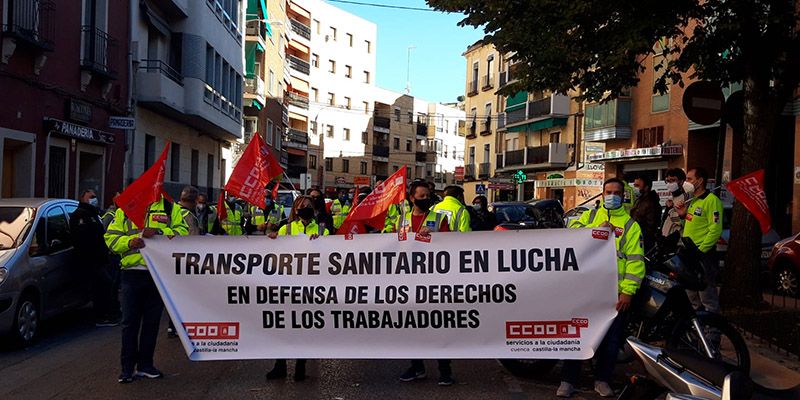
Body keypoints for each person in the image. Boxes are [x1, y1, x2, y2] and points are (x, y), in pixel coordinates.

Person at [559, 178, 645, 398]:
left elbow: (636, 262)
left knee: (610, 340)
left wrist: (628, 291)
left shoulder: (630, 226)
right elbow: (570, 234)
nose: (612, 196)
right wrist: (594, 230)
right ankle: (568, 380)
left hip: (613, 294)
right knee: (577, 336)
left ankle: (602, 380)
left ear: (623, 195)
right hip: (585, 290)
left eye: (617, 192)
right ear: (603, 193)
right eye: (608, 191)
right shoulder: (589, 216)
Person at [105, 196, 189, 383]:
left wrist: (158, 231)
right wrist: (129, 243)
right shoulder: (125, 209)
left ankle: (145, 365)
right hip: (131, 275)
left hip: (157, 274)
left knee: (151, 323)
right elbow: (110, 238)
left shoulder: (169, 207)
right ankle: (126, 369)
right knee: (129, 323)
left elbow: (183, 232)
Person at [266, 195, 329, 381]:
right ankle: (280, 365)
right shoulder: (285, 229)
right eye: (302, 206)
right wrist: (272, 239)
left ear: (314, 210)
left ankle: (300, 366)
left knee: (305, 327)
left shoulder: (321, 230)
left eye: (309, 206)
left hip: (309, 287)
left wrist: (321, 241)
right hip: (287, 284)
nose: (305, 208)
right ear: (295, 209)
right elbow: (274, 252)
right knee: (283, 326)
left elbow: (330, 253)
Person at [398, 181, 452, 386]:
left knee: (438, 325)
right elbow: (394, 244)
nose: (426, 198)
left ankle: (445, 370)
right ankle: (417, 366)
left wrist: (434, 239)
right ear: (412, 198)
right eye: (421, 195)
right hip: (409, 282)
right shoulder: (403, 220)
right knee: (413, 326)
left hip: (434, 281)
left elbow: (450, 245)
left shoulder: (439, 219)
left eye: (428, 195)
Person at [70, 189, 119, 327]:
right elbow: (83, 239)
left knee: (104, 286)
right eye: (91, 197)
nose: (94, 199)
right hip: (91, 260)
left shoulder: (94, 214)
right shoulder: (80, 215)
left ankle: (108, 313)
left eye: (95, 197)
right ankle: (102, 316)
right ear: (82, 198)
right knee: (103, 286)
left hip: (100, 259)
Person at [677, 167, 723, 314]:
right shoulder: (692, 201)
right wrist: (683, 215)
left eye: (690, 179)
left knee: (707, 297)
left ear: (700, 180)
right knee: (691, 297)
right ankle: (697, 331)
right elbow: (691, 224)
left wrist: (700, 251)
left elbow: (715, 230)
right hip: (689, 254)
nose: (686, 182)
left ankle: (713, 333)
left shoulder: (711, 201)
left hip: (703, 257)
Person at [630, 175, 662, 252]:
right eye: (634, 185)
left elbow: (651, 226)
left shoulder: (651, 203)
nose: (635, 188)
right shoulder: (639, 200)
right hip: (636, 237)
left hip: (644, 241)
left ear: (646, 187)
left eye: (637, 186)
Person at [661, 168, 693, 238]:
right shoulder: (673, 197)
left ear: (681, 182)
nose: (670, 184)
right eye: (668, 181)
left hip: (677, 240)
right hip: (667, 239)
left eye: (673, 180)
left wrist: (670, 209)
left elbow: (684, 219)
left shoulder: (686, 197)